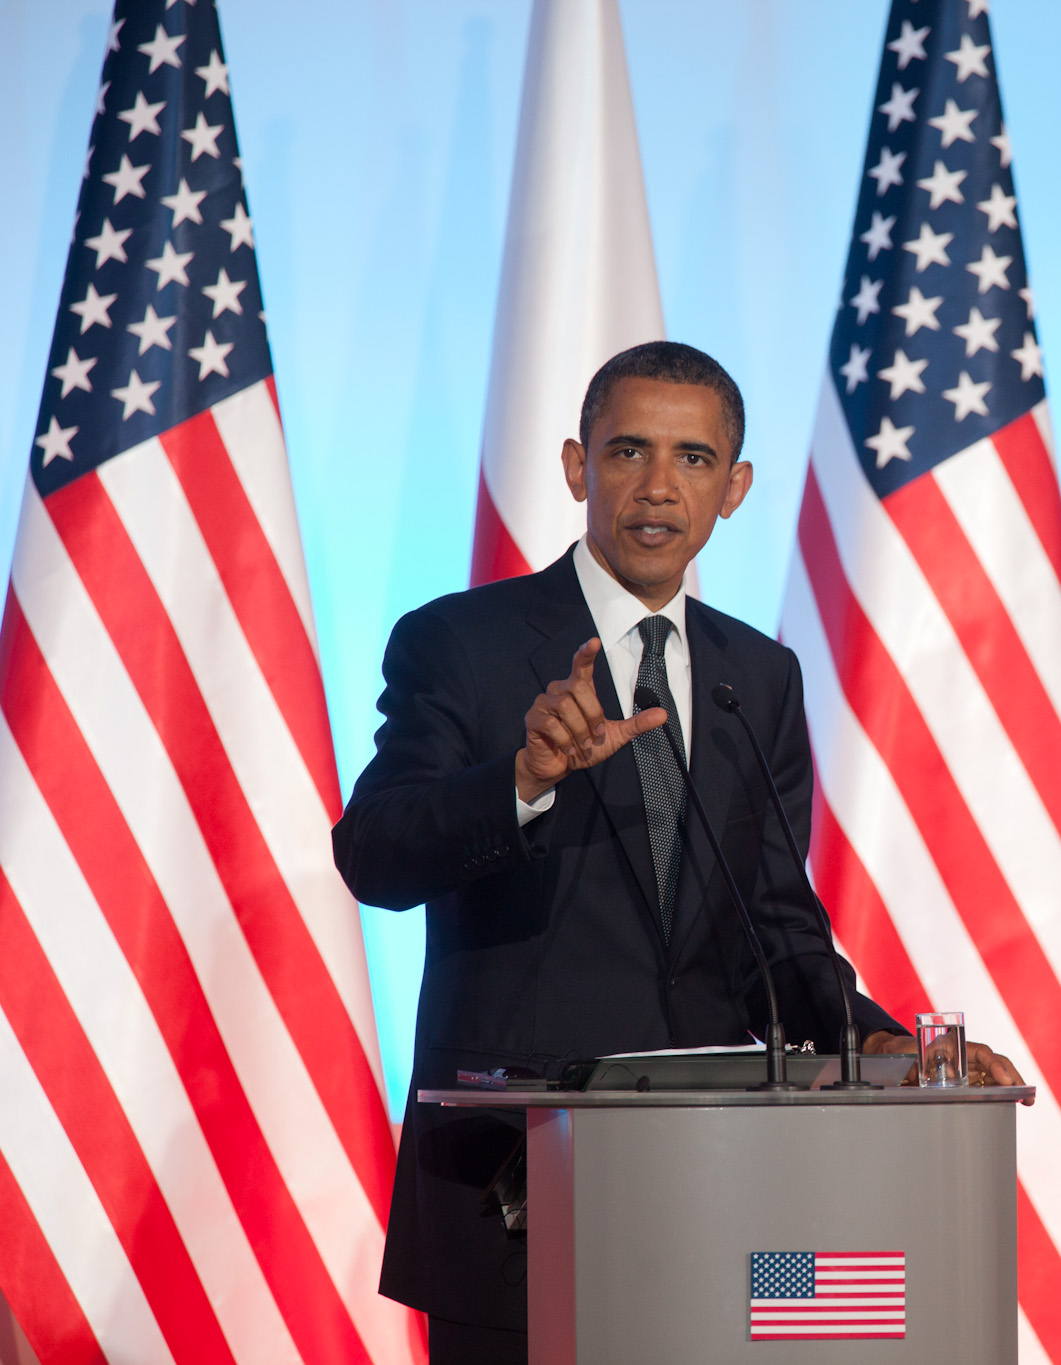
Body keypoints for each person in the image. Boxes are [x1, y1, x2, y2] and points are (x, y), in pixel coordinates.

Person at [333, 342, 1025, 1364]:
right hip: (514, 1192)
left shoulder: (759, 675)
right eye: (628, 452)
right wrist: (522, 781)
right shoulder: (462, 645)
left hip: (714, 1192)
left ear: (734, 488)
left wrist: (877, 1046)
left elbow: (774, 930)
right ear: (577, 468)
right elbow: (375, 856)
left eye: (694, 459)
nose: (659, 487)